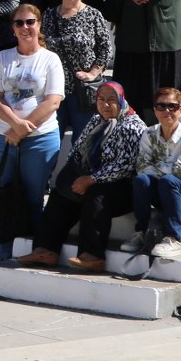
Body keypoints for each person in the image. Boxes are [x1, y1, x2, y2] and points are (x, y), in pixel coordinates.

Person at [19, 81, 146, 272]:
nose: (105, 105)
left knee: (96, 195)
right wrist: (76, 175)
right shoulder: (96, 120)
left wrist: (91, 179)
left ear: (121, 101)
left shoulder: (133, 126)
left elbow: (125, 165)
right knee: (60, 194)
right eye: (101, 99)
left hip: (123, 187)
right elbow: (76, 150)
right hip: (91, 179)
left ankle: (92, 255)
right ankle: (45, 250)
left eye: (111, 100)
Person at [0, 4, 65, 242]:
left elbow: (52, 101)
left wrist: (22, 129)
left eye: (30, 22)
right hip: (4, 138)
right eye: (19, 23)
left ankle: (34, 251)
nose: (25, 27)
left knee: (33, 198)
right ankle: (5, 254)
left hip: (40, 139)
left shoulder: (50, 59)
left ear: (39, 24)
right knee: (2, 196)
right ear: (13, 28)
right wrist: (15, 125)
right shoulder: (3, 57)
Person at [125, 86, 181, 259]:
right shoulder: (149, 134)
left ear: (180, 110)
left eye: (172, 106)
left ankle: (174, 238)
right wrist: (173, 173)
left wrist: (167, 172)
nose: (167, 110)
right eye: (161, 106)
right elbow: (142, 166)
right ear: (155, 110)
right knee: (142, 180)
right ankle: (142, 231)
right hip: (166, 187)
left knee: (169, 181)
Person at [42, 0, 116, 146]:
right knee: (50, 141)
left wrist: (92, 73)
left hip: (82, 91)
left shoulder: (93, 15)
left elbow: (106, 49)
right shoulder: (49, 16)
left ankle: (79, 174)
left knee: (82, 144)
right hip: (54, 90)